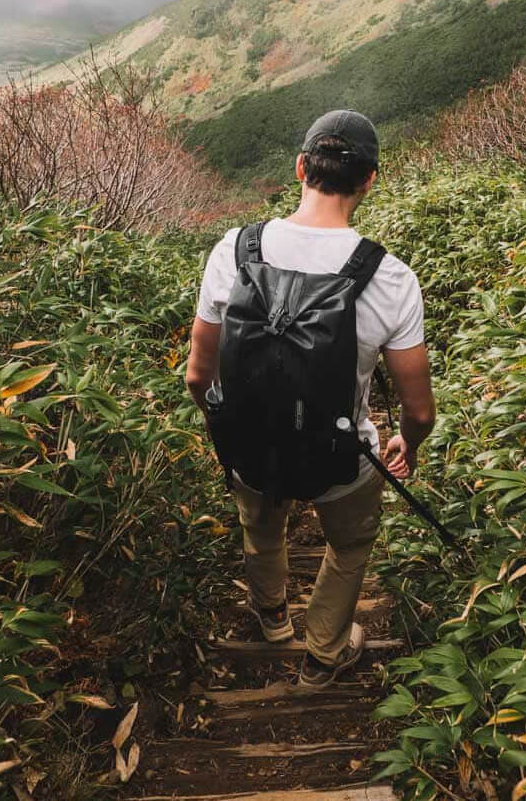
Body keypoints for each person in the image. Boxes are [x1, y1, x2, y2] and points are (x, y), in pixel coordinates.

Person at [185, 110, 435, 689]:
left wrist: (227, 427)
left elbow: (198, 375)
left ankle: (273, 620)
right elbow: (419, 410)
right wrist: (408, 443)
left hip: (252, 449)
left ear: (300, 168)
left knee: (261, 531)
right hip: (341, 458)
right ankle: (324, 655)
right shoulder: (390, 277)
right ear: (370, 180)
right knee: (349, 546)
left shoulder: (235, 250)